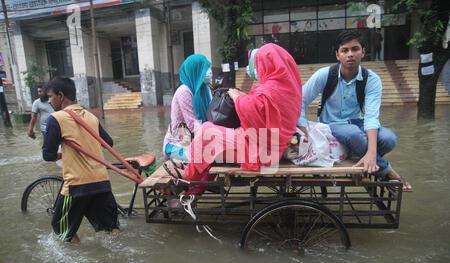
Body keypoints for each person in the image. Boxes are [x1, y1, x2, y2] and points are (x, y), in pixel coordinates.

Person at [297, 30, 412, 191]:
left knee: (389, 138)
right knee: (353, 134)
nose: (350, 54)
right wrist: (304, 130)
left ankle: (365, 155)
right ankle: (389, 172)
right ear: (337, 55)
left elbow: (372, 117)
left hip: (357, 123)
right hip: (331, 125)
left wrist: (371, 153)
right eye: (345, 50)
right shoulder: (324, 75)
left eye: (355, 49)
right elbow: (299, 101)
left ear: (363, 52)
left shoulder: (371, 79)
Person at [180, 43, 302, 190]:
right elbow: (262, 112)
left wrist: (237, 97)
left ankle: (188, 176)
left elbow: (252, 111)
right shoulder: (289, 87)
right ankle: (197, 183)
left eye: (259, 64)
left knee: (207, 132)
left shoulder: (270, 89)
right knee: (212, 131)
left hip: (263, 151)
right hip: (272, 145)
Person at [42, 77, 120, 243]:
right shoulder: (91, 117)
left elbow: (48, 155)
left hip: (76, 185)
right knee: (111, 228)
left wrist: (62, 154)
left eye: (50, 96)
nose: (49, 101)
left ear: (60, 96)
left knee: (61, 230)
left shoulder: (56, 118)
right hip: (102, 181)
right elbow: (109, 143)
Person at [162, 54, 212, 161]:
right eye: (206, 69)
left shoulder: (205, 90)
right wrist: (214, 136)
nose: (210, 72)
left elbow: (212, 116)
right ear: (196, 70)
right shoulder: (184, 91)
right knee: (203, 159)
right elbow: (193, 124)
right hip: (177, 144)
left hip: (197, 141)